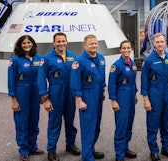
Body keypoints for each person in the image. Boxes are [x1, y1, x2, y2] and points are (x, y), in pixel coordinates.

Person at [38, 32, 81, 161]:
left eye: (63, 41)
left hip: (70, 95)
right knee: (54, 123)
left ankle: (70, 145)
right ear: (54, 43)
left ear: (66, 42)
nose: (61, 44)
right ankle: (51, 150)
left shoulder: (72, 56)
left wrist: (78, 93)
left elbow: (77, 75)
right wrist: (45, 99)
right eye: (58, 41)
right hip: (55, 95)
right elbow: (41, 79)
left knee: (70, 122)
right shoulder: (46, 58)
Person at [141, 33, 168, 161]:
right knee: (153, 123)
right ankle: (153, 150)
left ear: (165, 42)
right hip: (154, 94)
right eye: (157, 42)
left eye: (162, 41)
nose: (160, 44)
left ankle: (166, 148)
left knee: (166, 123)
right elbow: (144, 81)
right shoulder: (149, 60)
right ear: (153, 44)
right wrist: (146, 99)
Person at [8, 35, 44, 161]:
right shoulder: (15, 60)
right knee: (22, 122)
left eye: (29, 42)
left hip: (35, 92)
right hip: (21, 92)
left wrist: (42, 94)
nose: (27, 45)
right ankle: (24, 150)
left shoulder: (39, 58)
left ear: (33, 44)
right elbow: (11, 81)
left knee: (34, 121)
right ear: (20, 45)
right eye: (24, 43)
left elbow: (42, 77)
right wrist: (14, 99)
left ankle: (32, 146)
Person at [70, 34, 106, 161]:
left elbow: (102, 77)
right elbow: (75, 82)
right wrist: (79, 100)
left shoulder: (101, 58)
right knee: (88, 127)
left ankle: (91, 149)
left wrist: (102, 90)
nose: (94, 45)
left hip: (98, 96)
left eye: (95, 43)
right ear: (85, 45)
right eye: (91, 44)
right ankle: (86, 156)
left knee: (96, 126)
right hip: (87, 95)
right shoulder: (79, 61)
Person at [108, 40, 138, 161]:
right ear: (120, 50)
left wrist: (135, 94)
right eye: (124, 48)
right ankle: (119, 155)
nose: (126, 50)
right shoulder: (116, 65)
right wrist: (113, 100)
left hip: (131, 96)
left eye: (128, 48)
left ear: (131, 49)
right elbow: (111, 84)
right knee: (121, 125)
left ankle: (125, 148)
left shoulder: (133, 63)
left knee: (129, 124)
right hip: (121, 96)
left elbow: (133, 81)